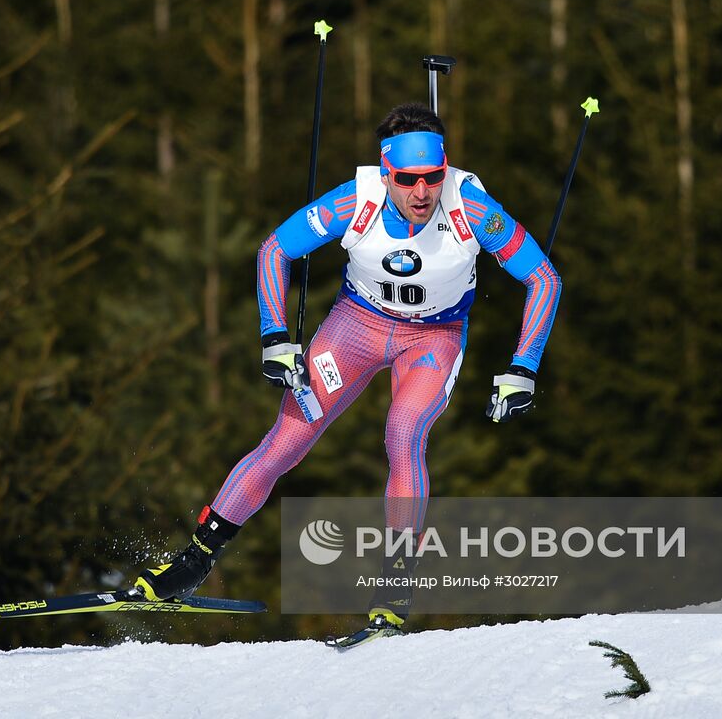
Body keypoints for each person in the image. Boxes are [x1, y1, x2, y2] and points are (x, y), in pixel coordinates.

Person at [129, 101, 562, 632]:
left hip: (434, 336)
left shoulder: (472, 209)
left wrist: (524, 366)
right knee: (284, 443)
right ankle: (189, 566)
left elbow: (543, 278)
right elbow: (273, 251)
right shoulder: (355, 201)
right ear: (386, 172)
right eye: (408, 180)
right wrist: (275, 337)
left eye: (432, 178)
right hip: (356, 325)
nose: (422, 193)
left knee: (404, 432)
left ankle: (398, 583)